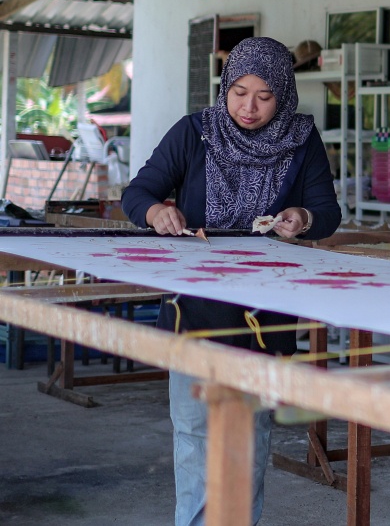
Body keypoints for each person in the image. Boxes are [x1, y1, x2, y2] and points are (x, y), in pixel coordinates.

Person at [122, 36, 341, 526]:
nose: (249, 107)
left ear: (283, 95)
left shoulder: (301, 140)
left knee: (247, 438)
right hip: (195, 309)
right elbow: (138, 193)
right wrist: (157, 211)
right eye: (239, 92)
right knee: (196, 434)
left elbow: (328, 212)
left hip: (262, 315)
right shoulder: (195, 132)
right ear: (226, 87)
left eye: (265, 97)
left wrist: (301, 217)